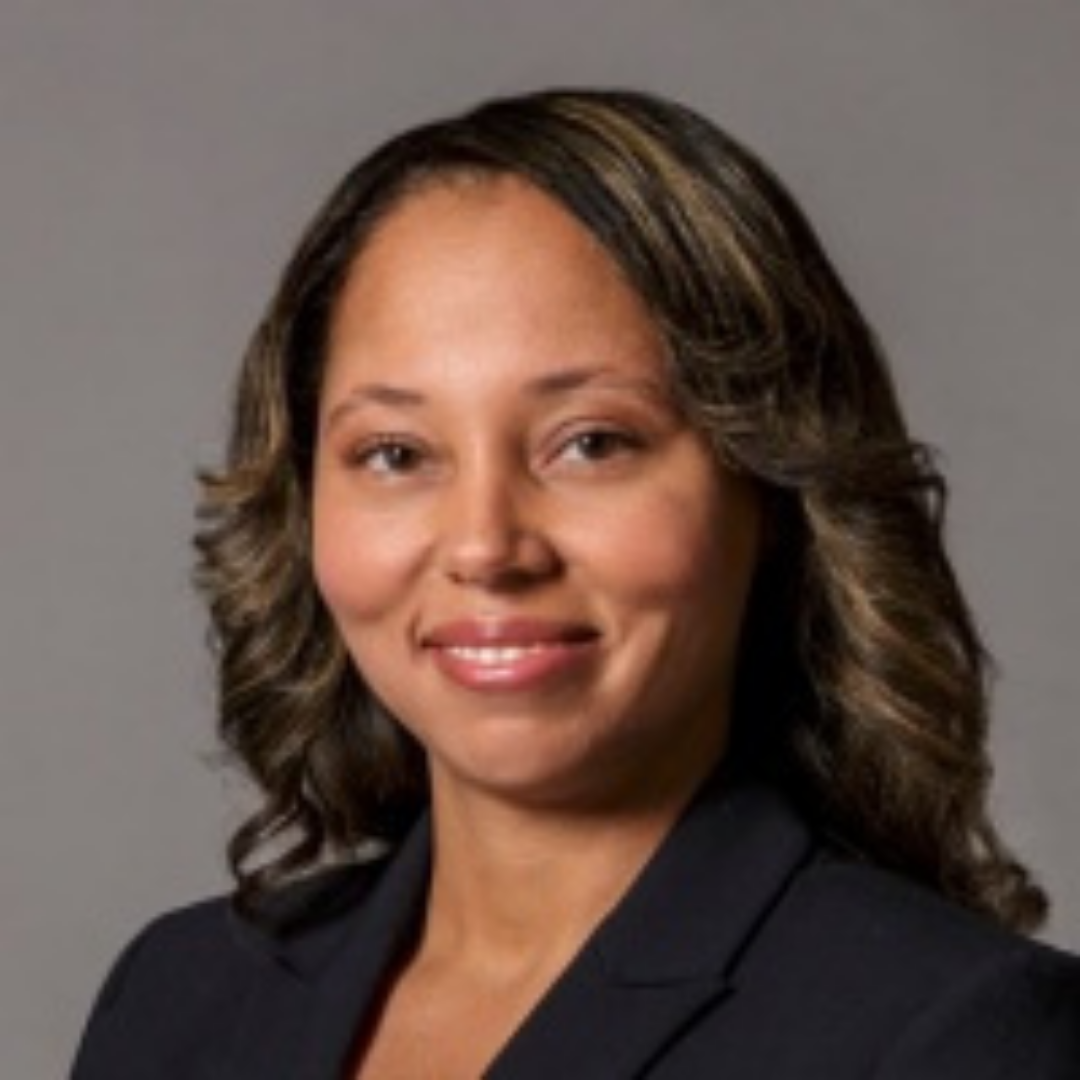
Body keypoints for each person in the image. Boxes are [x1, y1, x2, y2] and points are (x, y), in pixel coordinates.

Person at [72, 88, 1080, 1079]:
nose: (486, 546)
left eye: (592, 443)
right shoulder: (180, 1000)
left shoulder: (958, 1034)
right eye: (395, 454)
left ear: (774, 488)